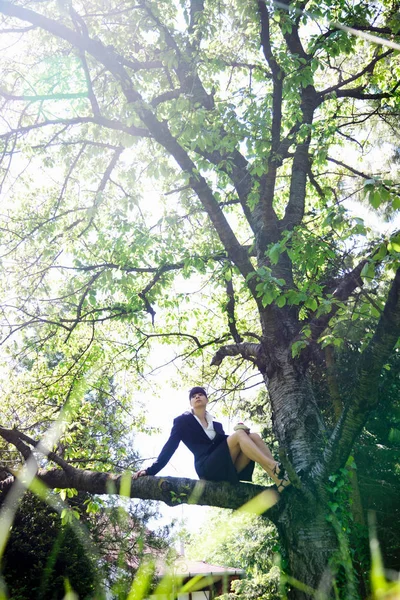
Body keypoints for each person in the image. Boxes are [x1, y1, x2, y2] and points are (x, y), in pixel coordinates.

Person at [133, 387, 290, 492]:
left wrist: (243, 434)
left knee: (253, 436)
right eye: (193, 396)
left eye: (200, 394)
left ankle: (279, 482)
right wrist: (150, 470)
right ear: (191, 403)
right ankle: (274, 465)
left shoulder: (217, 425)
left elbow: (224, 445)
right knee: (241, 435)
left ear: (206, 400)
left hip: (226, 467)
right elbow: (170, 447)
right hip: (206, 467)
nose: (197, 397)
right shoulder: (182, 421)